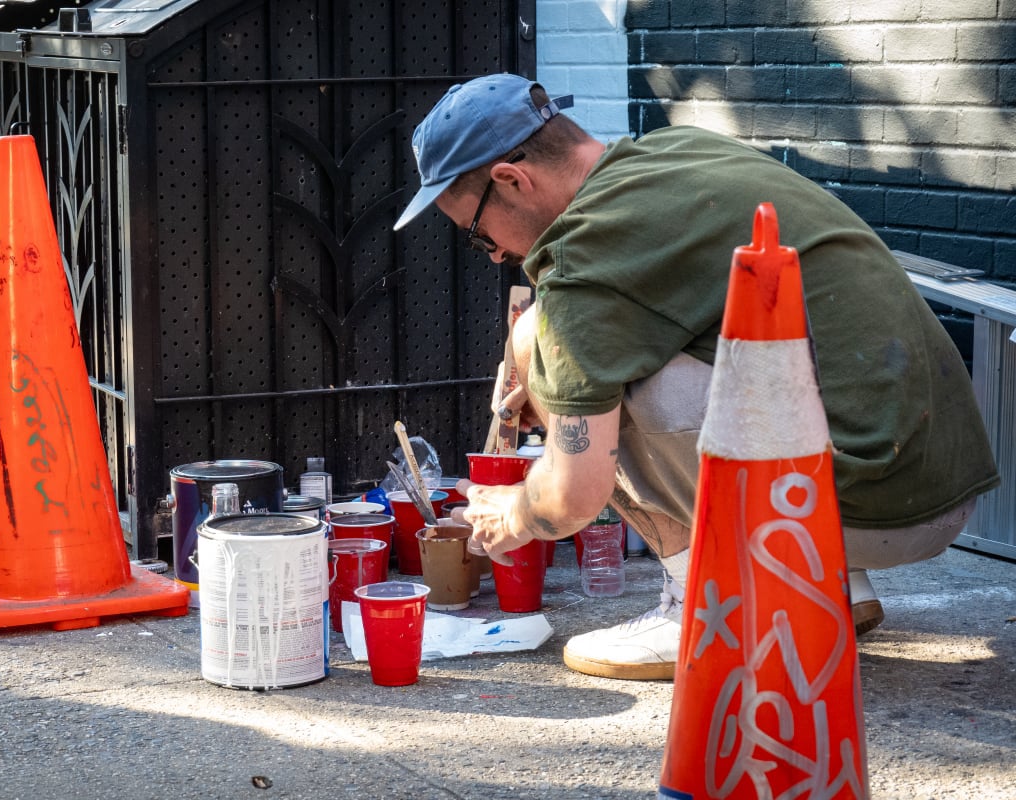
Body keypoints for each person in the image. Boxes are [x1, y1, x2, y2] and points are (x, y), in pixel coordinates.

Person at [393, 73, 1000, 681]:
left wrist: (517, 511)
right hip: (931, 477)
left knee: (556, 349)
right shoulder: (675, 152)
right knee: (557, 346)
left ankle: (701, 607)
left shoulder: (585, 258)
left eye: (477, 236)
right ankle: (830, 586)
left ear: (511, 180)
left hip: (871, 505)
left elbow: (573, 496)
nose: (496, 255)